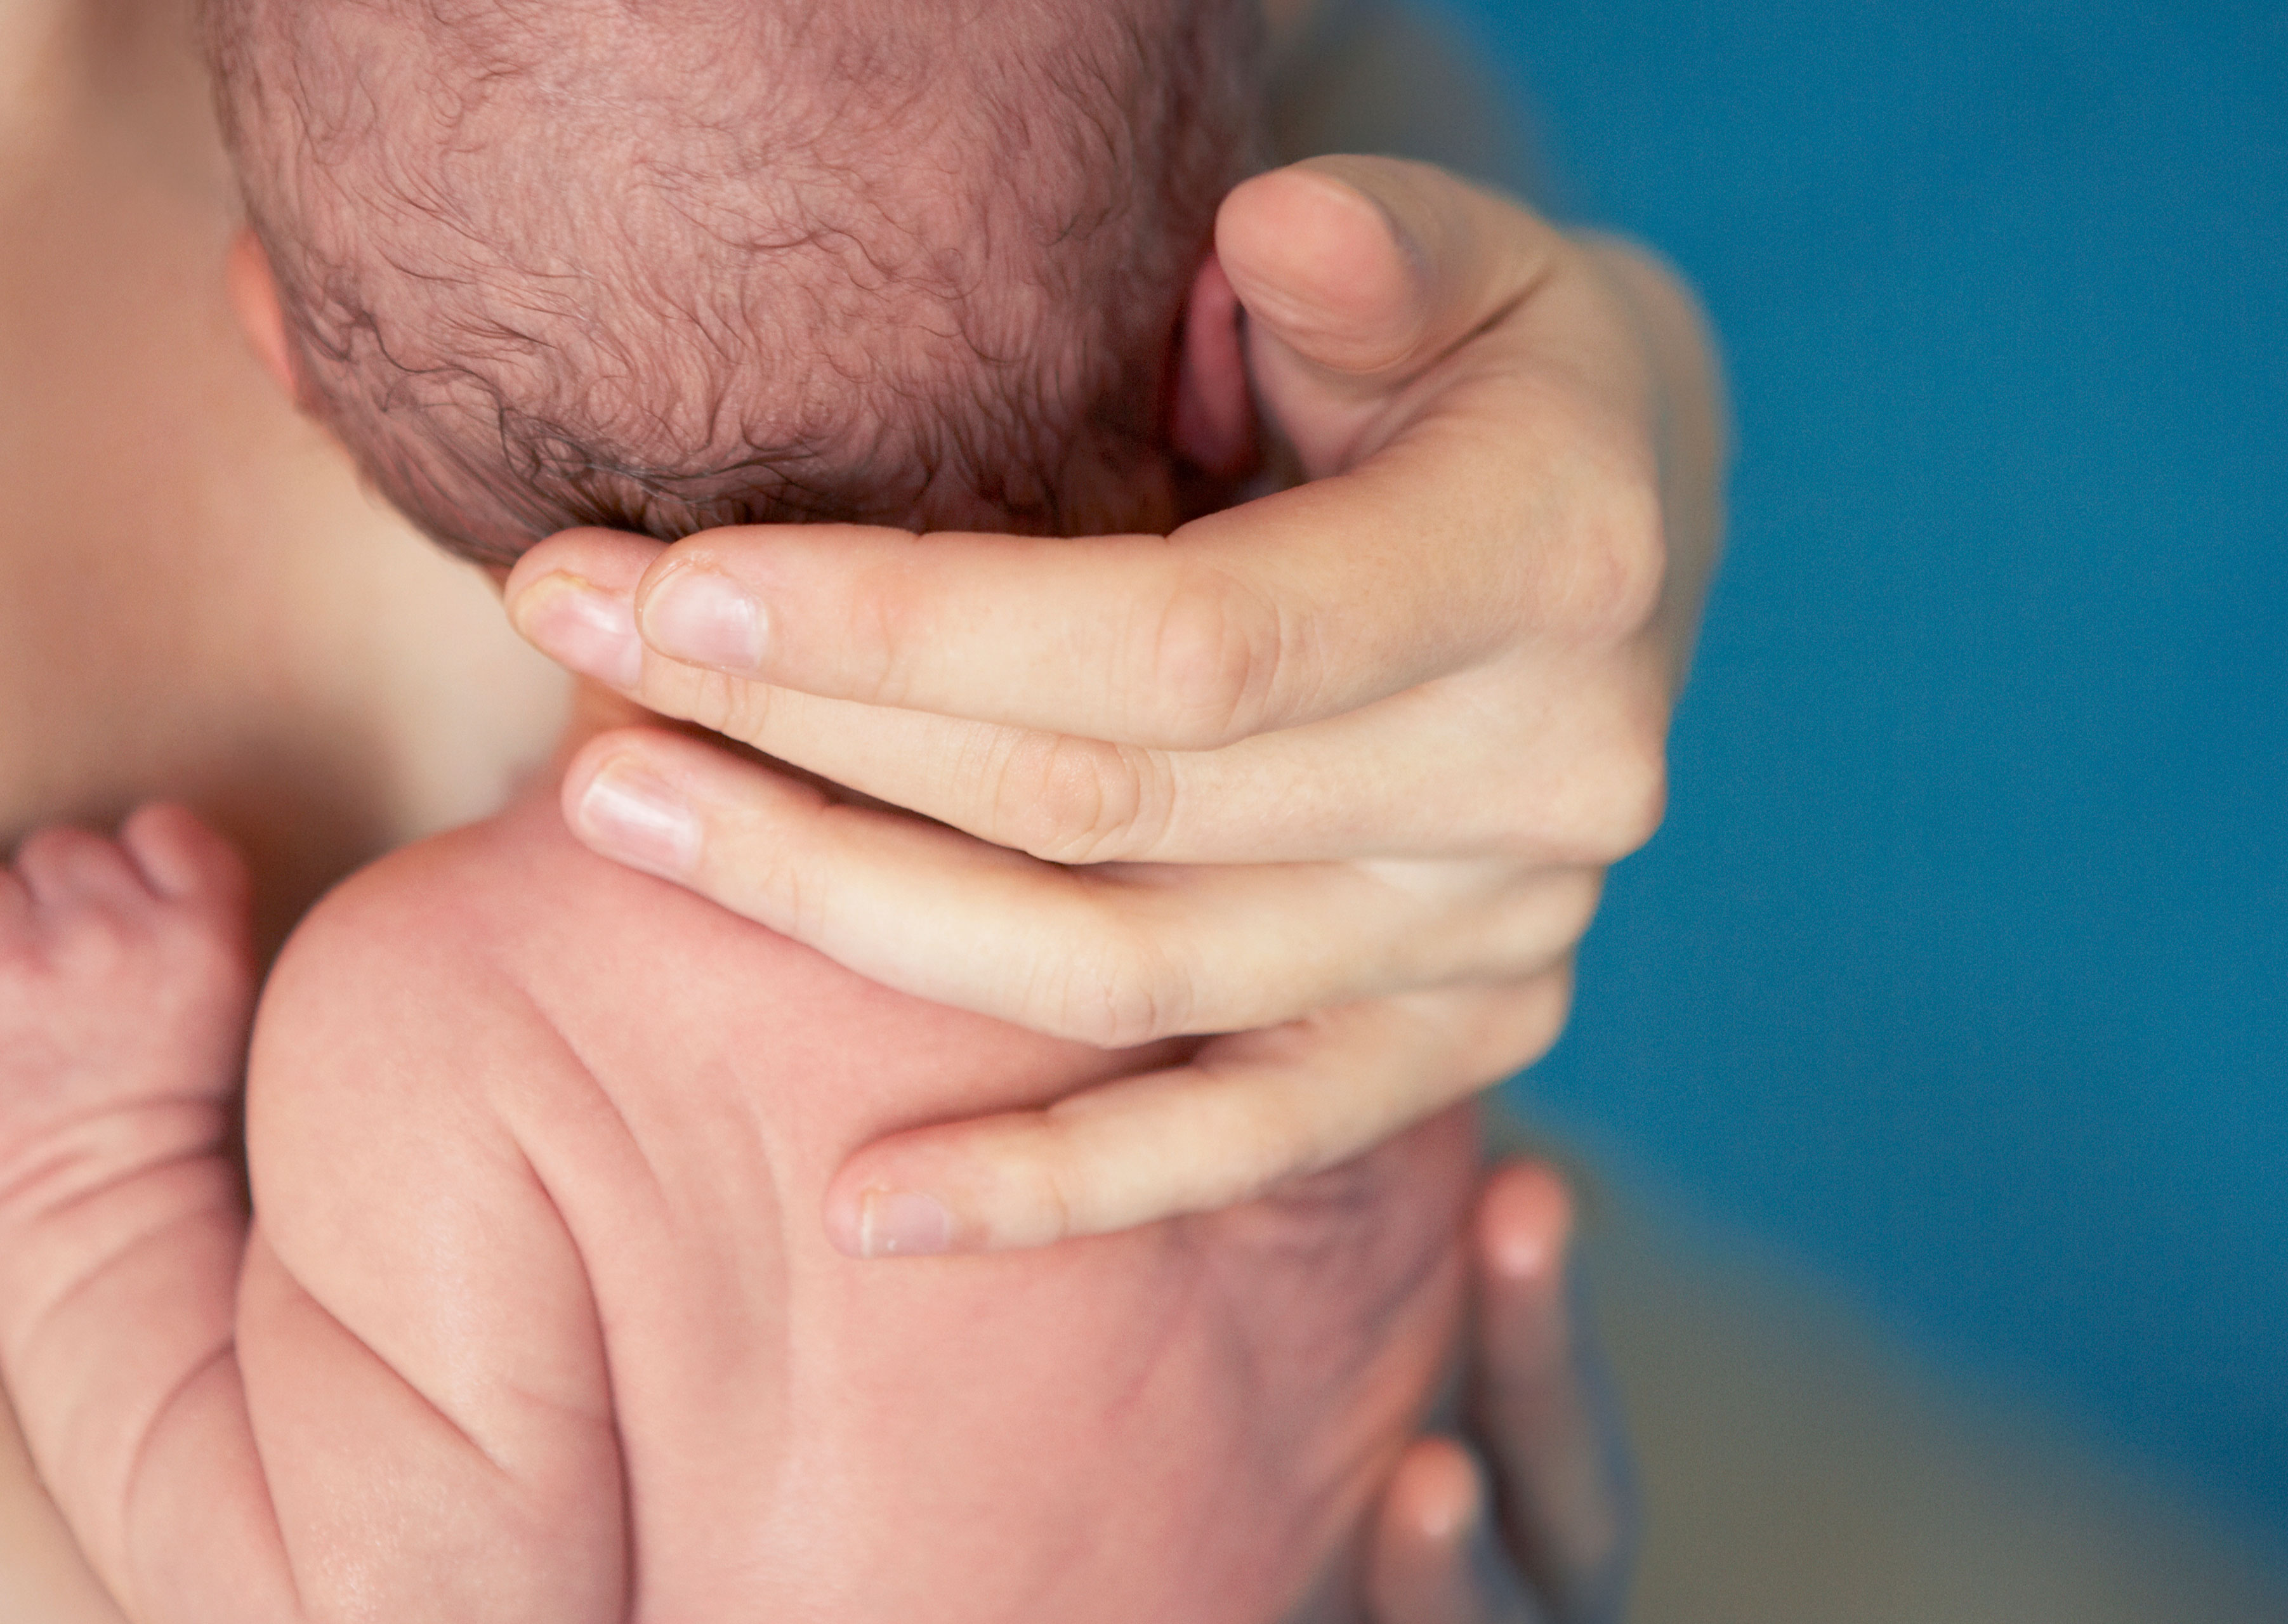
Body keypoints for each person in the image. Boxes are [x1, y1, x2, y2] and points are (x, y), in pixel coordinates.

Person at [0, 0, 1643, 1618]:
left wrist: (94, 1177)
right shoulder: (1340, 903)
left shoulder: (464, 1042)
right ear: (1223, 349)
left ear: (288, 361)